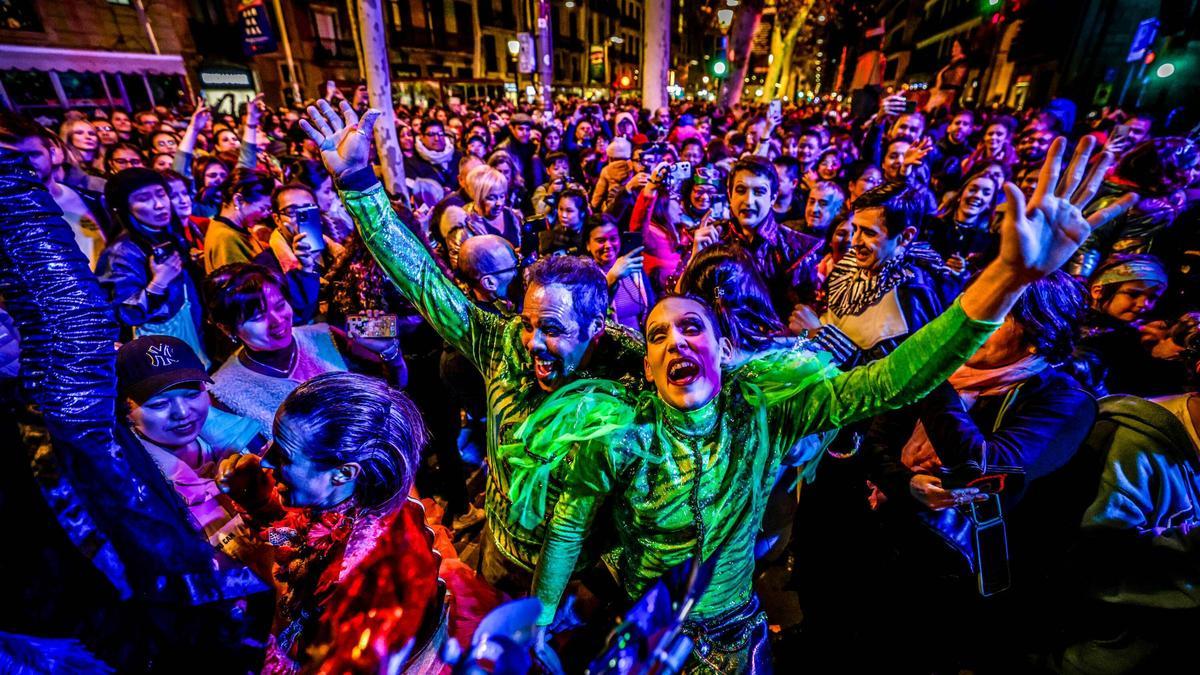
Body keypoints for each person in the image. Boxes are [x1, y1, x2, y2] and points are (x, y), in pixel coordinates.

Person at [529, 131, 1116, 667]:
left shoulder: (767, 415)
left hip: (737, 639)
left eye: (692, 327)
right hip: (649, 634)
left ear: (724, 348)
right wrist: (540, 622)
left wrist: (1007, 277)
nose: (675, 340)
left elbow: (894, 380)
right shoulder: (616, 437)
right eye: (658, 334)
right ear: (649, 364)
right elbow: (565, 530)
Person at [300, 99, 645, 595]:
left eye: (551, 328)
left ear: (595, 326)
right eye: (527, 323)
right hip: (500, 555)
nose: (532, 342)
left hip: (587, 575)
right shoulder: (501, 342)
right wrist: (360, 184)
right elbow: (423, 281)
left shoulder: (632, 373)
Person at [859, 272, 1098, 671]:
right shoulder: (957, 376)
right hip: (892, 545)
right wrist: (905, 483)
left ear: (1037, 334)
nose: (977, 323)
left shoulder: (1063, 402)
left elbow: (983, 467)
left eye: (999, 315)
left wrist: (935, 376)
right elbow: (876, 441)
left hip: (959, 580)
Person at [216, 372, 500, 673]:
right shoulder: (362, 496)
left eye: (285, 457)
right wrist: (260, 506)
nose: (266, 462)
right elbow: (299, 542)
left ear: (343, 474)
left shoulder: (364, 581)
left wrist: (258, 631)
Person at [205, 263, 405, 438]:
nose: (277, 321)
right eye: (258, 317)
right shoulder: (224, 393)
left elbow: (394, 391)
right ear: (227, 327)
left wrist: (389, 352)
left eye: (280, 305)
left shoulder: (325, 336)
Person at [96, 168, 209, 366]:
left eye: (161, 194)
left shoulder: (169, 234)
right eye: (144, 198)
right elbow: (122, 313)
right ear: (124, 208)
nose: (159, 205)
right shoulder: (121, 252)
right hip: (157, 349)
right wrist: (158, 283)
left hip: (188, 334)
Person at [583, 214, 652, 332]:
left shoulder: (633, 268)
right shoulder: (583, 275)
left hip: (642, 341)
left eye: (613, 239)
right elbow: (590, 316)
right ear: (588, 245)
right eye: (601, 240)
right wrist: (611, 278)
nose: (608, 245)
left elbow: (651, 305)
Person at [203, 168, 275, 273]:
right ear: (238, 200)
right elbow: (243, 284)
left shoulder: (239, 228)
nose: (266, 214)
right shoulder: (225, 238)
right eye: (263, 208)